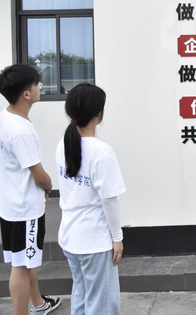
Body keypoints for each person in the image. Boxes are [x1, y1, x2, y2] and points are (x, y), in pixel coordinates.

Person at [56, 83, 126, 315]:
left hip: (70, 236)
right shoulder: (101, 152)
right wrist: (117, 238)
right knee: (102, 304)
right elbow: (109, 201)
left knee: (81, 295)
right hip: (94, 240)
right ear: (99, 113)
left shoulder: (63, 145)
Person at [0, 64, 60, 315]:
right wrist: (49, 184)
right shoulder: (20, 131)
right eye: (37, 85)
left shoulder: (6, 116)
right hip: (25, 208)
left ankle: (38, 304)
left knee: (25, 259)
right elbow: (38, 173)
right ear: (26, 94)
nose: (40, 88)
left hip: (11, 204)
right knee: (21, 266)